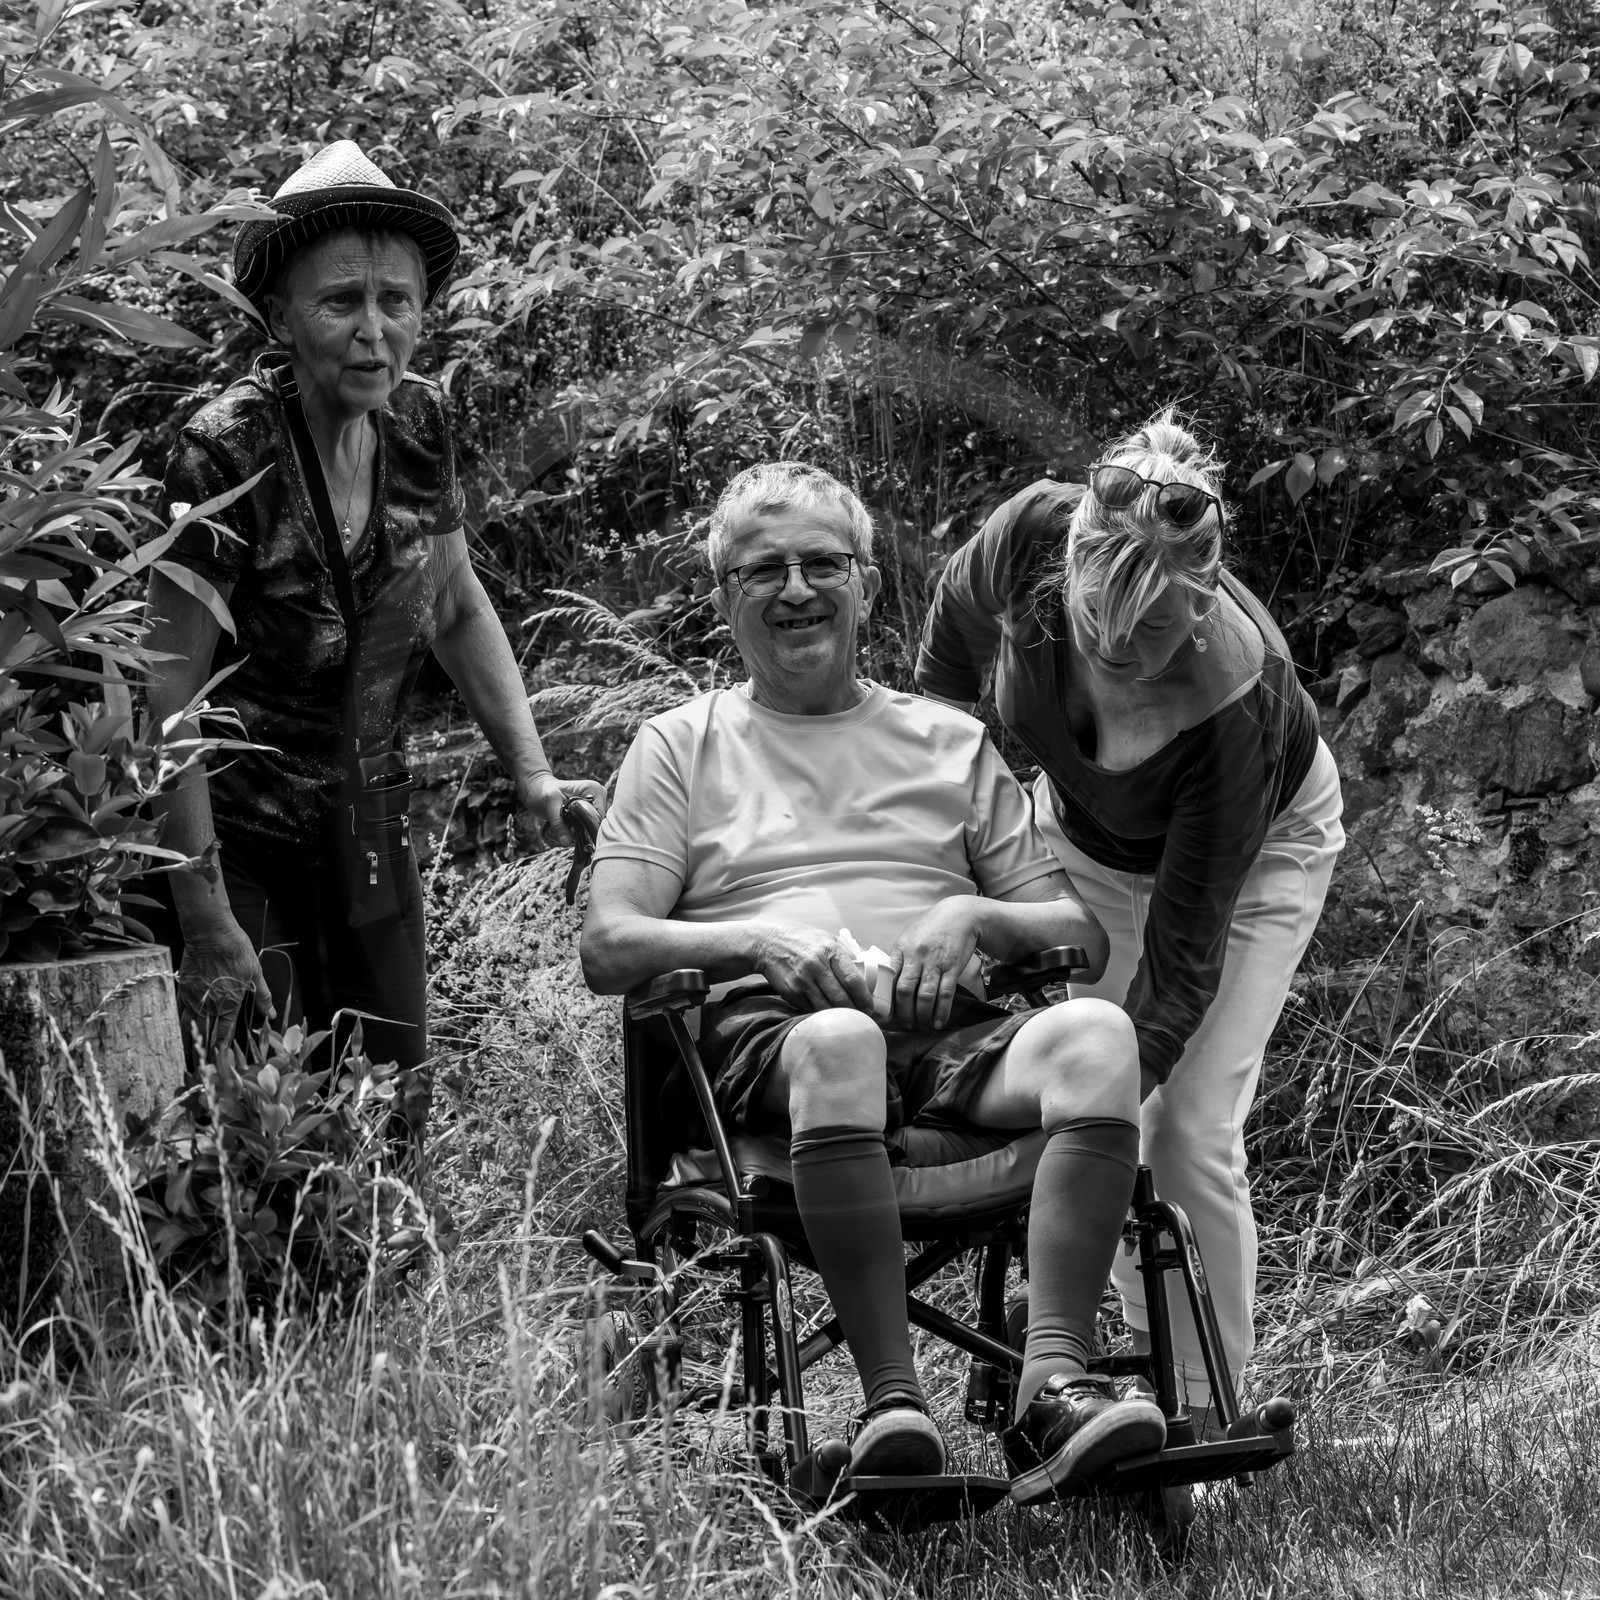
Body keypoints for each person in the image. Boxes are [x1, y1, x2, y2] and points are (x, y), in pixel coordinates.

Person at [580, 461, 1166, 1502]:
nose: (796, 589)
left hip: (950, 1030)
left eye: (822, 564)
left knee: (1097, 1036)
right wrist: (754, 942)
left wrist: (974, 915)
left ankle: (1055, 1388)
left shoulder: (947, 739)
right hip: (775, 1041)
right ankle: (893, 1403)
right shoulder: (680, 745)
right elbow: (610, 942)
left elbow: (1073, 928)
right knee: (841, 1039)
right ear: (724, 600)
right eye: (764, 570)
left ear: (865, 586)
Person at [146, 140, 600, 1111]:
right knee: (269, 1117)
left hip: (367, 822)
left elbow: (454, 600)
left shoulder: (417, 423)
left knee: (395, 1102)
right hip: (239, 833)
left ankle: (382, 1270)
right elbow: (163, 694)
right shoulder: (224, 453)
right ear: (278, 317)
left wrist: (531, 775)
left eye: (396, 301)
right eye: (340, 300)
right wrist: (204, 912)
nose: (373, 330)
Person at [916, 410, 1345, 1425]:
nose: (1123, 664)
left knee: (1180, 1122)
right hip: (1082, 836)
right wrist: (931, 821)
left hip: (1256, 854)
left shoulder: (1239, 701)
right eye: (1097, 640)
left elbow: (1179, 974)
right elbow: (939, 684)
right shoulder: (1028, 534)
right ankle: (1104, 1378)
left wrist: (1094, 1108)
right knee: (1095, 1112)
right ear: (1065, 573)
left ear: (1199, 602)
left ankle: (1204, 1410)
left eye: (1151, 642)